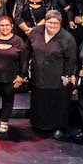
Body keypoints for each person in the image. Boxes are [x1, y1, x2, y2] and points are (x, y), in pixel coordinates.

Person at [24, 10, 77, 139]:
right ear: (45, 22)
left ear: (60, 23)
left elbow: (71, 59)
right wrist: (25, 71)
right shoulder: (36, 32)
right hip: (38, 74)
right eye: (50, 22)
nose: (52, 25)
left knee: (57, 102)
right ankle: (39, 125)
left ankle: (58, 127)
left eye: (56, 23)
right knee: (40, 100)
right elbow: (27, 51)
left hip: (57, 76)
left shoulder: (67, 38)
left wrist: (67, 75)